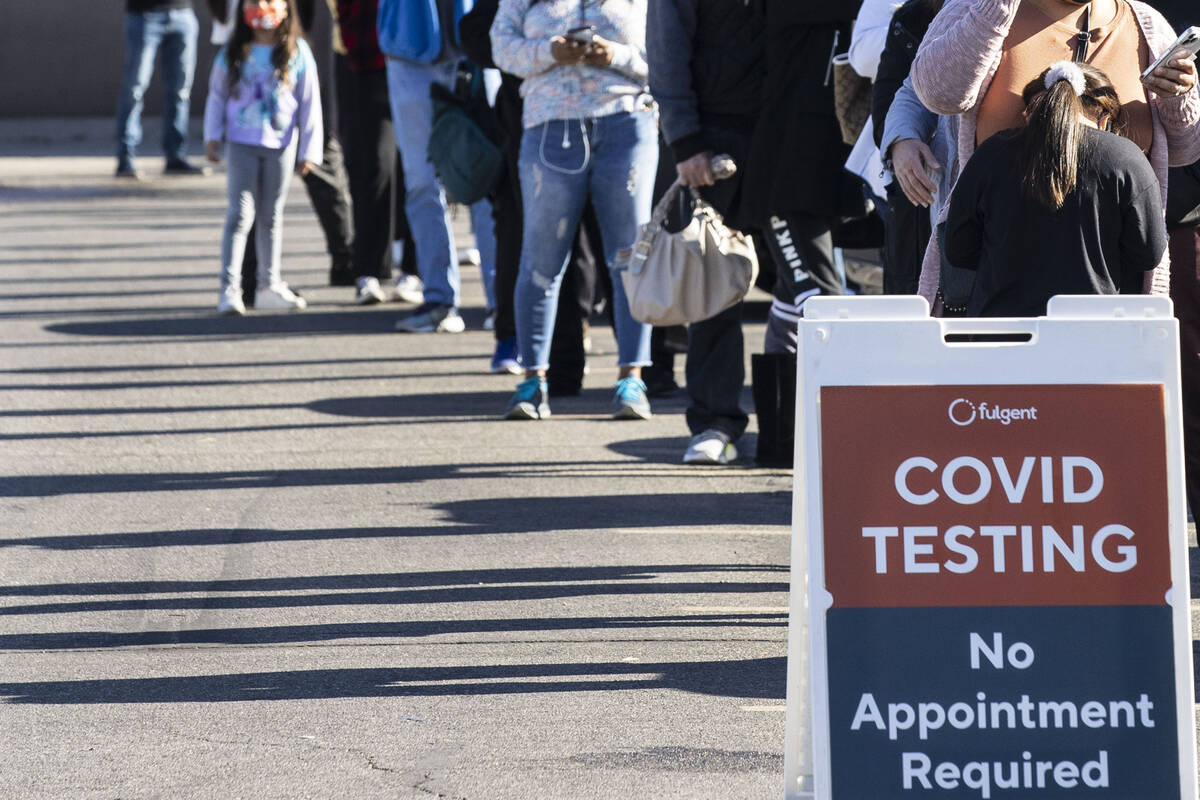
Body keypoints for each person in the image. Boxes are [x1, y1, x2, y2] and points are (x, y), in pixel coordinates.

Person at [909, 0, 1200, 307]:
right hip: (1000, 299)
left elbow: (1185, 148)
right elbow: (937, 94)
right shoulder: (982, 6)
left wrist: (1177, 95)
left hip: (1114, 303)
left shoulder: (1144, 23)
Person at [491, 0, 657, 421]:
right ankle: (532, 382)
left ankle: (632, 379)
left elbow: (670, 56)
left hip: (627, 125)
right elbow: (500, 47)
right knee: (541, 261)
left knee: (630, 258)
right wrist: (551, 51)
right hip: (550, 128)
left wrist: (614, 55)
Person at [945, 62, 1167, 316]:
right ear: (1105, 119)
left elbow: (958, 250)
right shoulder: (1125, 157)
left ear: (1031, 112)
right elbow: (1148, 254)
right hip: (1092, 332)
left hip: (999, 332)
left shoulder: (991, 153)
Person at [647, 0, 766, 463]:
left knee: (810, 294)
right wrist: (686, 140)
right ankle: (715, 422)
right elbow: (665, 51)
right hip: (711, 146)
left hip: (789, 138)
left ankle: (814, 425)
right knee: (714, 293)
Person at [204, 0, 323, 314]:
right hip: (241, 144)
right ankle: (229, 289)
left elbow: (310, 104)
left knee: (271, 217)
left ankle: (268, 285)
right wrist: (212, 135)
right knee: (240, 215)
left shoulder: (298, 53)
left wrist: (310, 150)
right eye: (253, 2)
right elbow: (216, 94)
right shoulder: (233, 52)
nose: (261, 8)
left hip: (280, 146)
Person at [376, 0, 471, 333]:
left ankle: (503, 310)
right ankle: (439, 300)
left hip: (473, 49)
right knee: (421, 182)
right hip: (409, 52)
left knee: (487, 183)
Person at [115, 0, 209, 178]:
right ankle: (125, 157)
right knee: (135, 88)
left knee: (180, 91)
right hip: (144, 14)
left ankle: (175, 156)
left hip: (183, 13)